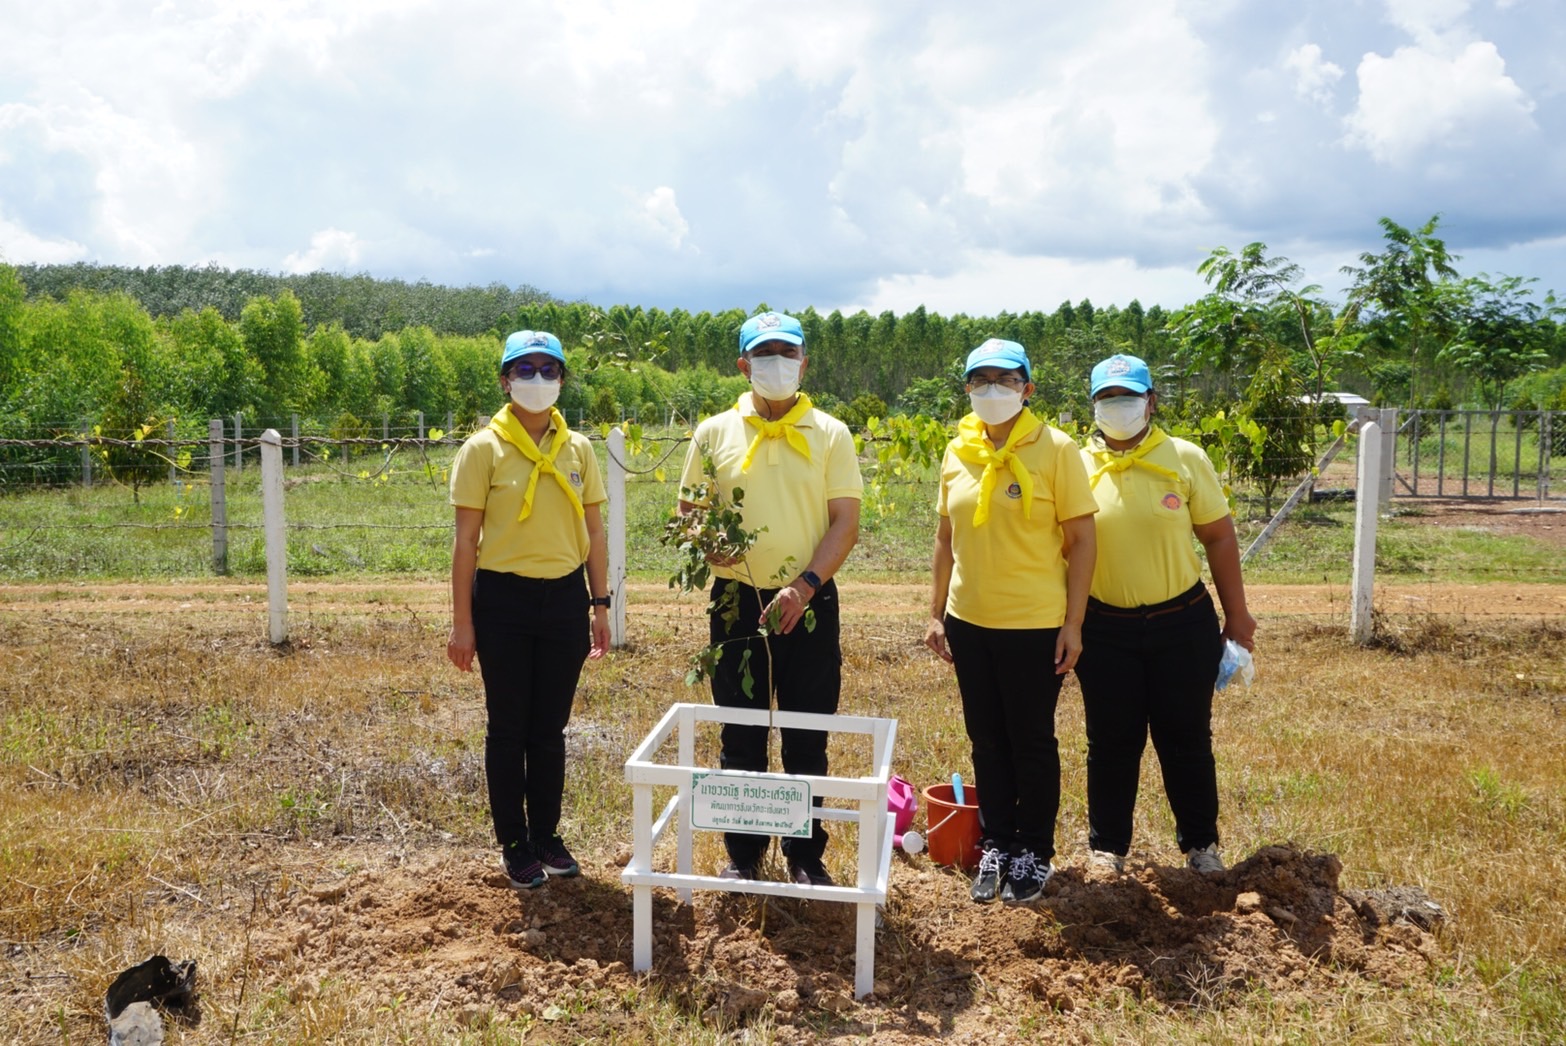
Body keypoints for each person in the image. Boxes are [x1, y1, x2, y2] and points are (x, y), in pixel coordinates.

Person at [676, 311, 862, 886]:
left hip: (807, 602)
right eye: (763, 354)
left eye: (787, 352)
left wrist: (805, 586)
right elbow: (689, 514)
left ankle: (806, 858)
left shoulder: (830, 433)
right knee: (741, 731)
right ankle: (744, 855)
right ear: (743, 364)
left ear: (804, 361)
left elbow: (845, 522)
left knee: (807, 732)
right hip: (737, 604)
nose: (776, 363)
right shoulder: (713, 432)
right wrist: (712, 551)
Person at [924, 338, 1098, 904]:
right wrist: (935, 614)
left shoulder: (1057, 450)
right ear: (968, 389)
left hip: (1033, 624)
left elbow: (1081, 541)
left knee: (1030, 739)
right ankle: (997, 840)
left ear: (1028, 387)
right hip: (970, 621)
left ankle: (1034, 849)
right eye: (980, 381)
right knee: (986, 737)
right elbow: (946, 538)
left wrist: (1073, 624)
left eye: (1004, 379)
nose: (991, 390)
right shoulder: (958, 452)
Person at [1073, 353, 1257, 876]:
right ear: (1093, 405)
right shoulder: (1076, 465)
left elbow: (1218, 537)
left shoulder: (1184, 458)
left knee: (1187, 738)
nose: (1119, 406)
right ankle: (1108, 848)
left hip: (1183, 622)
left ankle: (1202, 846)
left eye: (1130, 396)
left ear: (1151, 400)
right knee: (1111, 740)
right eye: (1108, 398)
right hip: (1103, 627)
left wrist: (1237, 616)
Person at [447, 330, 612, 890]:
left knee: (550, 728)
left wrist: (601, 604)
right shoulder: (482, 450)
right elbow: (466, 542)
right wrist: (463, 623)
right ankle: (514, 843)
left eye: (549, 369)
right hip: (503, 601)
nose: (538, 380)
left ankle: (546, 833)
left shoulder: (579, 449)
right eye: (526, 369)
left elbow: (593, 528)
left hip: (565, 599)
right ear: (504, 379)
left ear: (563, 379)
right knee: (509, 727)